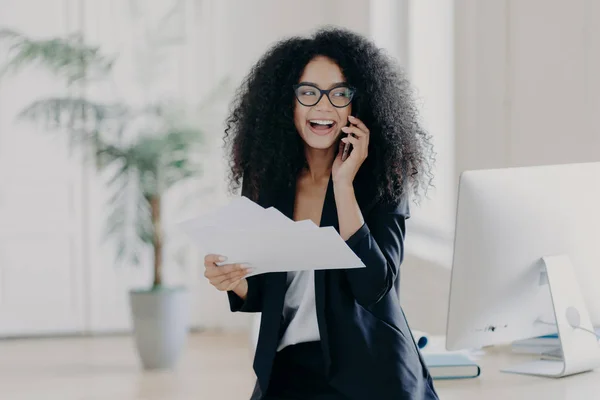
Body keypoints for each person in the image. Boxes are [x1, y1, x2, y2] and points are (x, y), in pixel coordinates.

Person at [203, 27, 439, 400]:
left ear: (356, 105)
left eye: (339, 93)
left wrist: (343, 185)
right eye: (309, 92)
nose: (323, 106)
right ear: (289, 102)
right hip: (288, 366)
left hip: (372, 372)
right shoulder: (267, 178)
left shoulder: (383, 179)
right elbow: (267, 290)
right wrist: (233, 280)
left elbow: (375, 289)